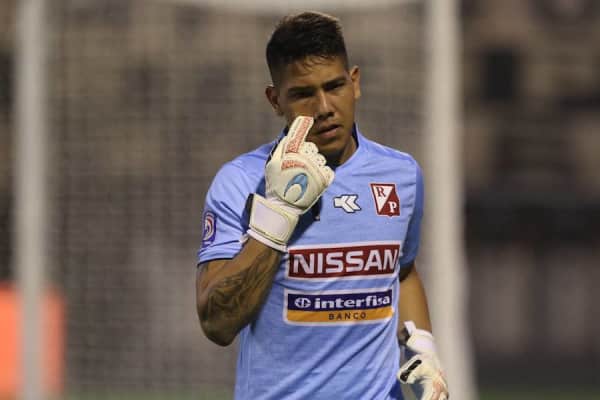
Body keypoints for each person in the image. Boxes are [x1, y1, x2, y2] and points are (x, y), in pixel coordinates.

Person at [196, 11, 449, 400]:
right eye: (303, 94)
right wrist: (279, 213)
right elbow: (217, 323)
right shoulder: (241, 182)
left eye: (335, 86)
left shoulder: (402, 174)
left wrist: (424, 350)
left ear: (355, 82)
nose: (324, 107)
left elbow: (403, 272)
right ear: (275, 100)